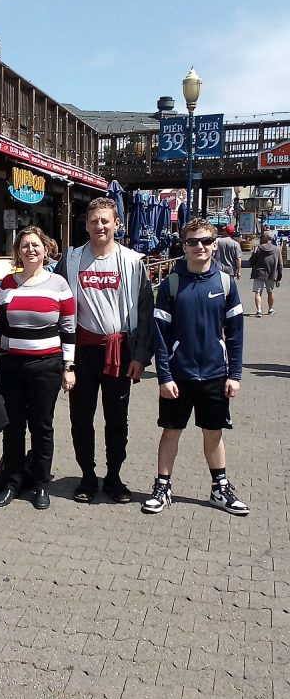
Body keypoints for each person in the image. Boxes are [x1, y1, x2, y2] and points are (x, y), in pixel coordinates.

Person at [142, 217, 248, 517]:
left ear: (214, 245)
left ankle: (220, 489)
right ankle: (162, 487)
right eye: (192, 241)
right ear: (184, 246)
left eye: (205, 241)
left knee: (213, 433)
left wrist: (235, 374)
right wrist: (164, 376)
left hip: (215, 374)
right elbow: (160, 335)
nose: (199, 246)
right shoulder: (172, 284)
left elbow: (235, 333)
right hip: (178, 376)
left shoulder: (225, 283)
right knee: (171, 431)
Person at [55, 197, 155, 504]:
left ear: (117, 224)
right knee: (81, 417)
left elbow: (145, 311)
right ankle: (87, 475)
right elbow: (55, 303)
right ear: (86, 225)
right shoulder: (71, 260)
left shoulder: (132, 262)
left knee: (117, 418)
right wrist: (62, 358)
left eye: (105, 220)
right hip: (82, 351)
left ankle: (114, 476)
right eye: (94, 221)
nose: (99, 226)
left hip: (119, 351)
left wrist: (140, 356)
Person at [0, 226, 76, 510]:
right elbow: (1, 326)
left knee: (42, 427)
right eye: (24, 245)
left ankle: (41, 483)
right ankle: (13, 481)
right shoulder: (8, 283)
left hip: (46, 367)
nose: (30, 250)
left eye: (35, 245)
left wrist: (68, 366)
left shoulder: (59, 284)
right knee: (12, 426)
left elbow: (68, 328)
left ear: (45, 249)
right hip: (11, 367)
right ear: (18, 251)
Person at [250, 228, 282, 316]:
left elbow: (252, 261)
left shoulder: (258, 248)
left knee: (258, 292)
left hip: (259, 273)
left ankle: (259, 310)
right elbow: (280, 265)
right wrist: (279, 278)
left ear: (265, 238)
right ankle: (270, 309)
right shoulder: (276, 250)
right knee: (270, 291)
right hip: (271, 273)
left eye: (263, 236)